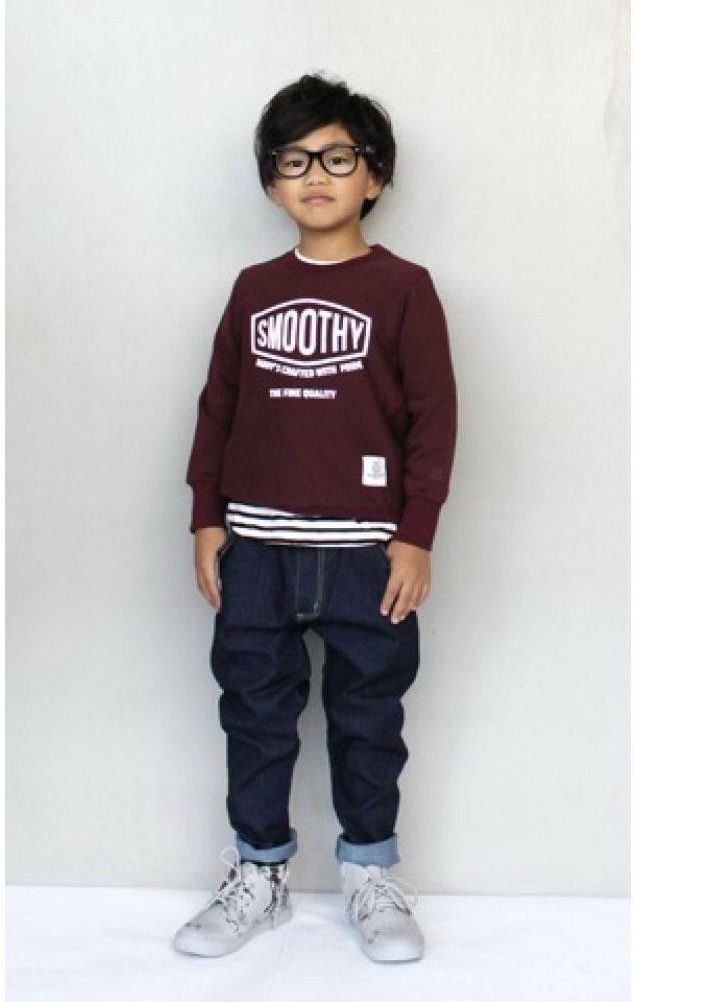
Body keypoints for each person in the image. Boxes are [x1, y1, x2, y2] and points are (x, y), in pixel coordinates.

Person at [173, 72, 458, 964]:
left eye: (338, 158)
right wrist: (206, 516)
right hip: (256, 546)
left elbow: (434, 419)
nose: (316, 176)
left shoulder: (405, 288)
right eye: (294, 161)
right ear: (271, 183)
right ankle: (259, 874)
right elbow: (218, 408)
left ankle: (372, 872)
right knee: (254, 715)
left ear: (375, 176)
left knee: (369, 717)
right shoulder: (252, 288)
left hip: (367, 555)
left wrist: (415, 534)